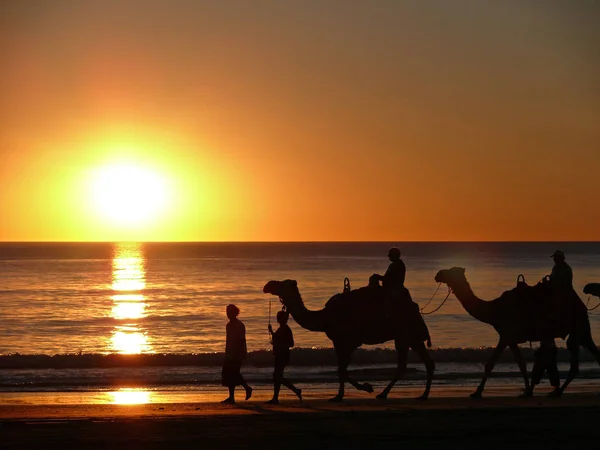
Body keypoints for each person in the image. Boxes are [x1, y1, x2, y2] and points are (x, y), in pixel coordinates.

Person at [266, 310, 302, 404]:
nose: (278, 319)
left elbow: (291, 343)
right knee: (277, 376)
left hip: (282, 355)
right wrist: (272, 333)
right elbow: (278, 339)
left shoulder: (285, 329)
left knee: (277, 376)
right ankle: (275, 398)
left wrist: (277, 339)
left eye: (279, 318)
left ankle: (295, 390)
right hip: (280, 354)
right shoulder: (282, 328)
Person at [221, 304, 253, 404]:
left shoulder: (239, 325)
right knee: (229, 374)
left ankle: (247, 388)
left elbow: (241, 340)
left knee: (234, 373)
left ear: (234, 313)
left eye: (229, 312)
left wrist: (241, 352)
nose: (227, 314)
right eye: (227, 312)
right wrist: (227, 352)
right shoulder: (229, 325)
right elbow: (228, 341)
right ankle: (231, 396)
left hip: (237, 353)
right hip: (230, 352)